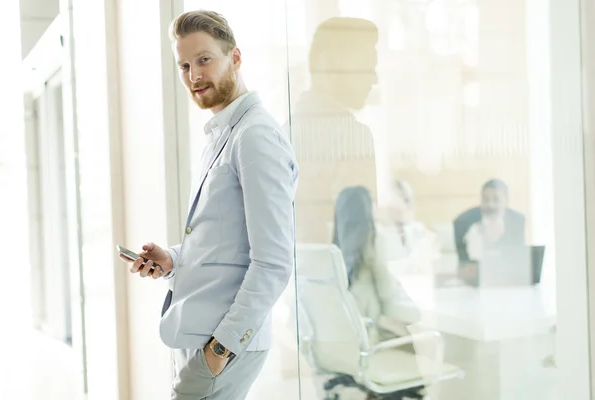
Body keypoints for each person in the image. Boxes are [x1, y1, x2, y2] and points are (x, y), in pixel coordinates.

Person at [119, 10, 299, 400]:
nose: (194, 75)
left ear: (234, 57)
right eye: (184, 65)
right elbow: (227, 242)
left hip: (222, 344)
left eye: (204, 60)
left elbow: (274, 261)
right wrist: (174, 259)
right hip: (199, 333)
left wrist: (220, 350)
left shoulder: (255, 137)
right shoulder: (222, 134)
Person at [287, 17, 379, 244]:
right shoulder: (352, 136)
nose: (374, 79)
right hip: (337, 276)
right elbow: (358, 243)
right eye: (366, 67)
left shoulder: (279, 134)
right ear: (327, 63)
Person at [332, 186, 420, 339]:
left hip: (348, 334)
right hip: (371, 330)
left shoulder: (335, 248)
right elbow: (386, 290)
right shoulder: (372, 241)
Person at [453, 179, 525, 279]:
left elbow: (518, 257)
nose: (491, 205)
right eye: (486, 200)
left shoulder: (517, 221)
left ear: (506, 200)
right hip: (475, 279)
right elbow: (464, 264)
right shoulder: (463, 222)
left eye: (496, 199)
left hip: (508, 278)